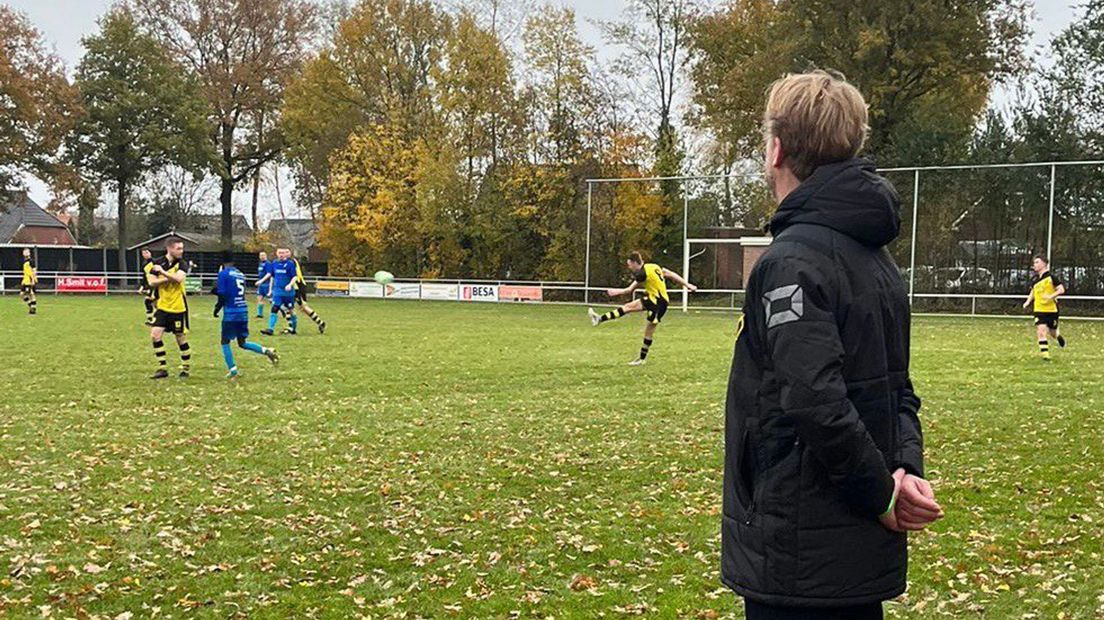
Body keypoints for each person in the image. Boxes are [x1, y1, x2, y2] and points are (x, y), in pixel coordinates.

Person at [722, 70, 943, 620]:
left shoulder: (792, 262)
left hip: (802, 551)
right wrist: (903, 467)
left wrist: (885, 495)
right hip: (844, 553)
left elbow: (814, 399)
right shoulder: (875, 258)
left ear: (775, 149)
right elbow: (899, 390)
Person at [587, 252, 697, 365]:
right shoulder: (653, 266)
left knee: (648, 331)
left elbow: (629, 290)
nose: (629, 267)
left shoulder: (642, 274)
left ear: (635, 263)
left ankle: (642, 359)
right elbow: (671, 274)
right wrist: (688, 285)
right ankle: (599, 319)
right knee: (627, 307)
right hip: (653, 299)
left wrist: (616, 292)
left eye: (629, 265)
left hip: (658, 304)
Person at [213, 252, 279, 379]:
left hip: (231, 313)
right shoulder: (240, 274)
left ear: (222, 262)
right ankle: (267, 351)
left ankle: (233, 371)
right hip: (243, 310)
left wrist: (217, 308)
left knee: (225, 341)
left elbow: (222, 295)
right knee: (242, 342)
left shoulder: (223, 273)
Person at [146, 238, 193, 379]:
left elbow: (179, 279)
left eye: (182, 248)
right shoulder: (156, 263)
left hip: (178, 307)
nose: (181, 251)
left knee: (180, 338)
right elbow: (151, 282)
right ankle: (162, 368)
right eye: (178, 248)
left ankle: (185, 368)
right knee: (155, 335)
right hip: (163, 306)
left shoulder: (182, 264)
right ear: (169, 249)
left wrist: (162, 273)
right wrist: (169, 277)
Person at [1022, 255, 1066, 360]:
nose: (1034, 265)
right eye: (1034, 263)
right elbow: (1033, 291)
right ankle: (1045, 355)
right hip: (1039, 309)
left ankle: (1058, 336)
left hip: (1051, 310)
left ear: (1044, 264)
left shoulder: (1051, 277)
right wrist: (1028, 301)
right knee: (1041, 331)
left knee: (1053, 333)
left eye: (1037, 262)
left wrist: (1050, 296)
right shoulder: (1035, 280)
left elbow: (1061, 290)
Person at [262, 248, 298, 336]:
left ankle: (293, 328)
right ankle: (270, 329)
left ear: (285, 254)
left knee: (291, 310)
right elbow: (272, 276)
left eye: (283, 253)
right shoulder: (274, 263)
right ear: (277, 254)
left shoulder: (290, 264)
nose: (281, 254)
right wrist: (269, 289)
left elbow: (295, 277)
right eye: (279, 253)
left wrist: (290, 285)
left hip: (288, 293)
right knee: (275, 308)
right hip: (277, 291)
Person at [291, 252, 326, 334]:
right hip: (299, 286)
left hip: (297, 287)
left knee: (300, 307)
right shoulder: (293, 261)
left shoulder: (291, 262)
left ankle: (291, 328)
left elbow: (297, 277)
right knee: (300, 307)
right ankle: (320, 322)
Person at [138, 247, 157, 325]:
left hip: (156, 285)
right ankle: (153, 319)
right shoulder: (144, 264)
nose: (145, 255)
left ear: (150, 253)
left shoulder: (155, 262)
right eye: (143, 253)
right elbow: (144, 276)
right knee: (154, 303)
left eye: (146, 252)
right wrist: (142, 286)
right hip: (150, 285)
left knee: (149, 301)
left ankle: (153, 319)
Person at [255, 251, 273, 319]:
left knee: (271, 299)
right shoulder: (260, 264)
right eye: (261, 255)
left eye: (263, 255)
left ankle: (280, 310)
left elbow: (269, 274)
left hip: (267, 284)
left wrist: (261, 281)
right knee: (259, 298)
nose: (262, 257)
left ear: (266, 256)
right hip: (261, 285)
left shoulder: (268, 264)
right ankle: (260, 314)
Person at [19, 248, 37, 315]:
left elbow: (34, 271)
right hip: (25, 280)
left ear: (29, 253)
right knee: (21, 294)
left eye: (26, 252)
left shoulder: (31, 261)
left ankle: (33, 310)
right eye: (24, 252)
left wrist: (33, 280)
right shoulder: (24, 261)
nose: (25, 253)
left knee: (31, 294)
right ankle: (31, 306)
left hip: (30, 280)